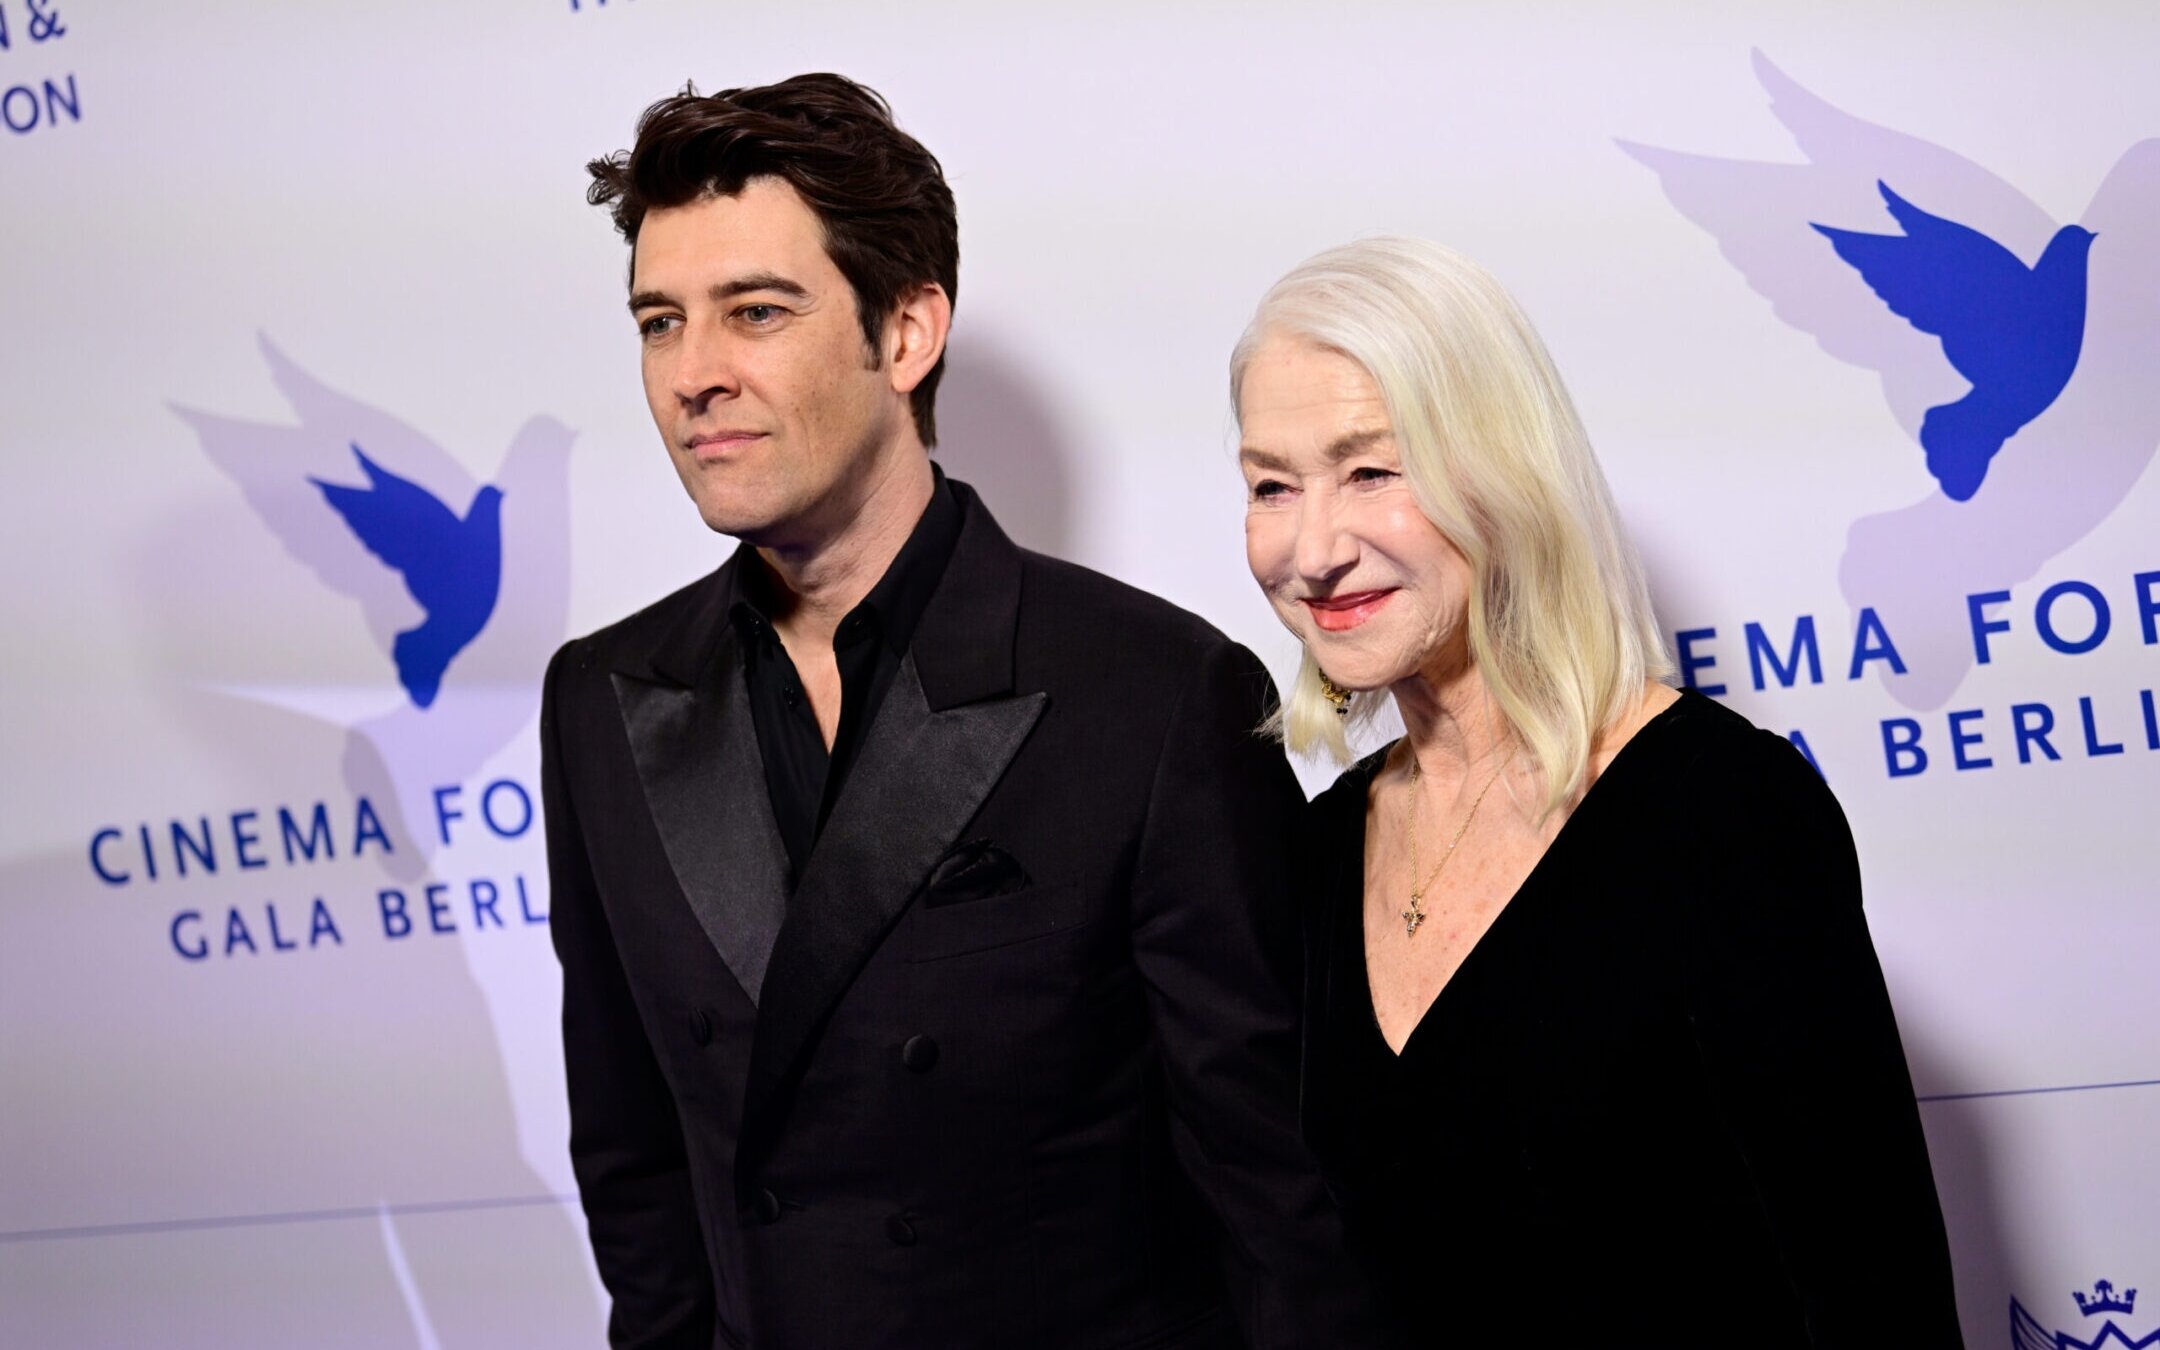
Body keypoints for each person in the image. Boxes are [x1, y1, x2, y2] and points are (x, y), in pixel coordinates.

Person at [540, 74, 1382, 1350]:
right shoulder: (603, 701)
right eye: (660, 322)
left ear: (907, 332)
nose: (694, 374)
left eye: (754, 312)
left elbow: (1275, 1210)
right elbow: (638, 1178)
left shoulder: (1153, 700)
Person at [1230, 236, 1965, 1346]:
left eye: (1372, 470)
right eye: (1272, 486)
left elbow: (1876, 1293)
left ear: (1501, 468)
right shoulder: (1322, 851)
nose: (1314, 547)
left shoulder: (1719, 810)